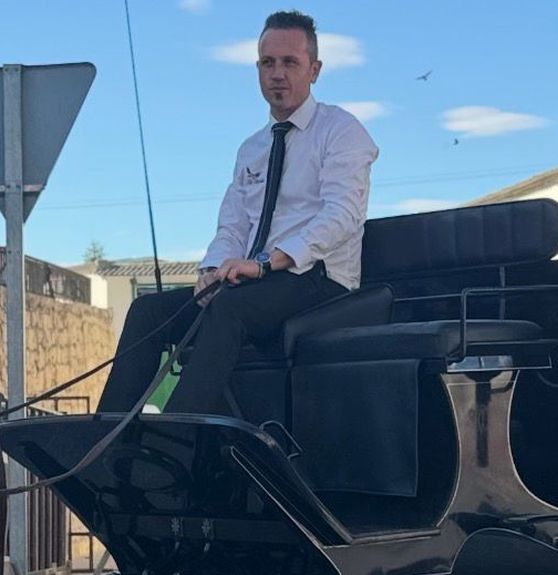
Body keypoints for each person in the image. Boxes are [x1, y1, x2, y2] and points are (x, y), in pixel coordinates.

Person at [98, 10, 378, 415]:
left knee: (229, 309)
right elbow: (233, 224)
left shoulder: (341, 131)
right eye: (267, 63)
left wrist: (266, 263)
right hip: (255, 282)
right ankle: (105, 436)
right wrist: (212, 270)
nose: (277, 74)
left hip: (318, 279)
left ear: (314, 70)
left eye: (290, 62)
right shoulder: (251, 148)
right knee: (149, 311)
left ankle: (173, 437)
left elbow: (343, 215)